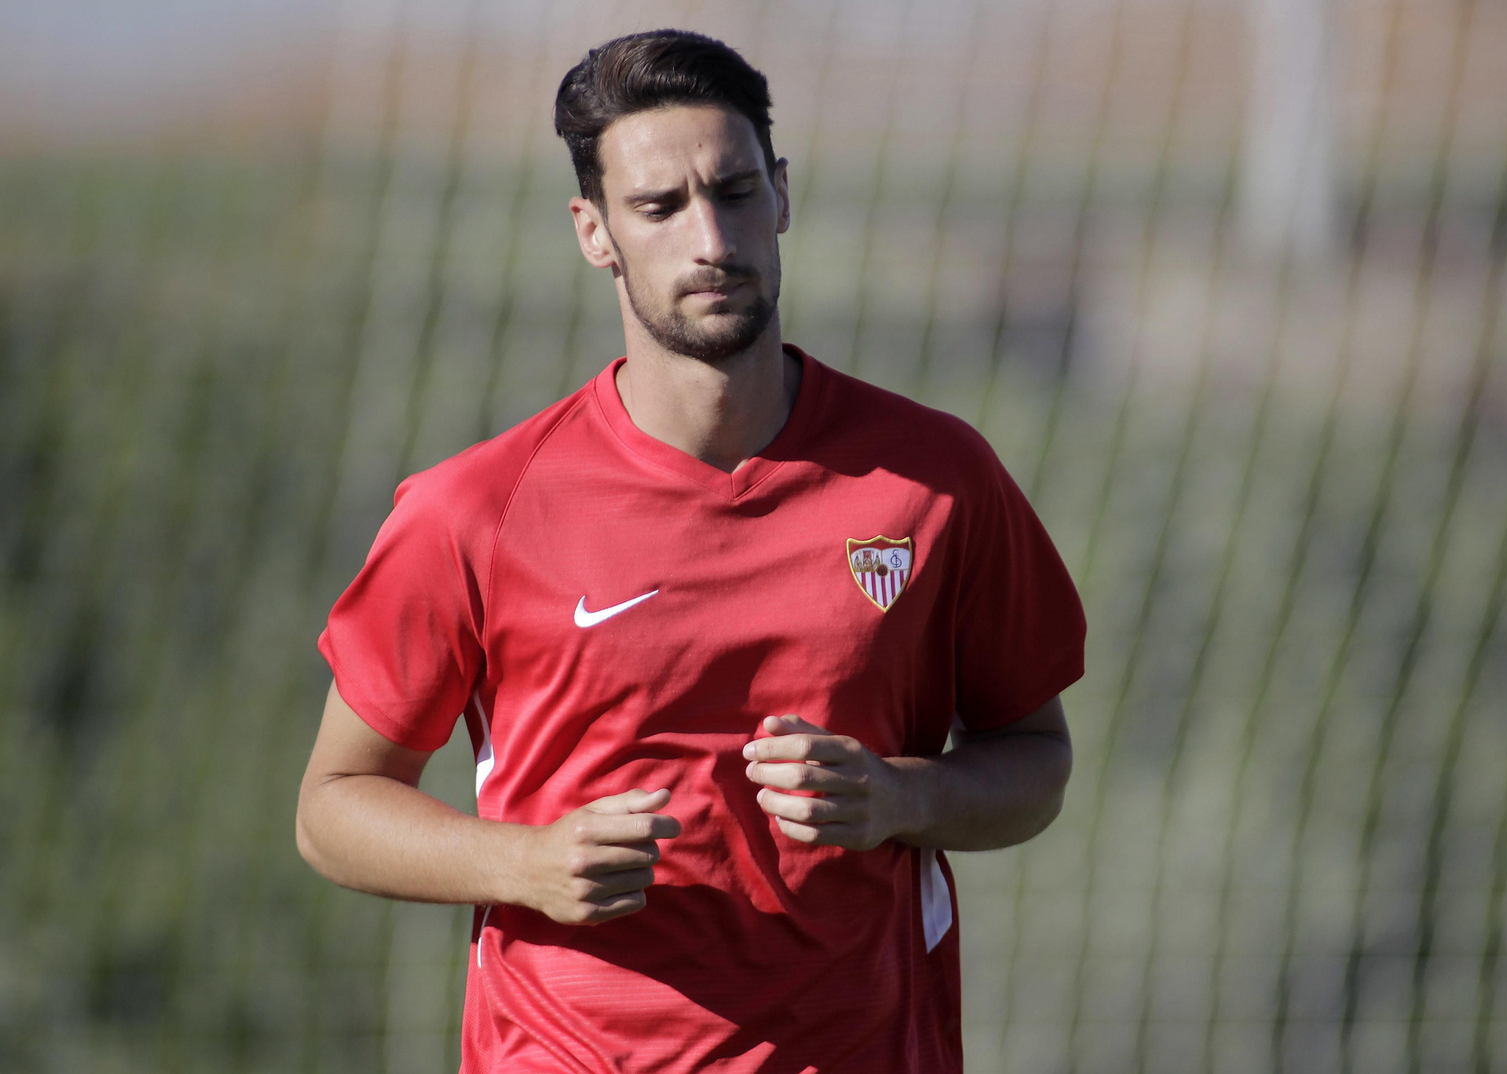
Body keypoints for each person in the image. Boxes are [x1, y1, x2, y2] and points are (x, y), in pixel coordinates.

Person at [296, 27, 1086, 1074]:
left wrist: (905, 798)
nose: (710, 239)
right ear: (595, 232)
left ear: (784, 196)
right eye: (660, 208)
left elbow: (1036, 758)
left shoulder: (933, 478)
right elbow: (333, 808)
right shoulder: (476, 507)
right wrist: (526, 863)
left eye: (736, 191)